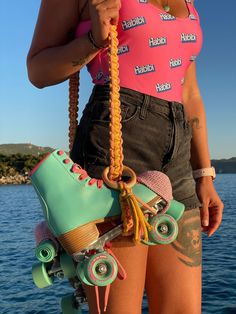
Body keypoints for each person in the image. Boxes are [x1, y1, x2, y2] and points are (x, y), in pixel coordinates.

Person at [27, 0, 224, 313]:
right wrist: (93, 40)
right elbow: (38, 70)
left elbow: (189, 91)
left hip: (178, 150)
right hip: (117, 140)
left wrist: (203, 173)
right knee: (118, 307)